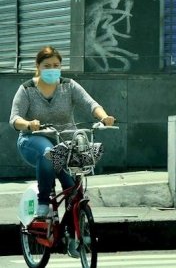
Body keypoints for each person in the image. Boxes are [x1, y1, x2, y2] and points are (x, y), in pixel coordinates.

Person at [9, 46, 116, 217]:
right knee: (49, 153)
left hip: (65, 143)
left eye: (56, 65)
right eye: (47, 65)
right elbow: (14, 119)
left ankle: (72, 231)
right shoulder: (27, 89)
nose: (52, 69)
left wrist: (104, 117)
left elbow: (91, 104)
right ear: (38, 66)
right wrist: (29, 124)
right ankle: (43, 201)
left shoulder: (69, 86)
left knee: (72, 181)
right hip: (32, 140)